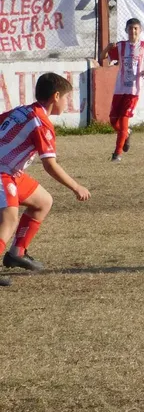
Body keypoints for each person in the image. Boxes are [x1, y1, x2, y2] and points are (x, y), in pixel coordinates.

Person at [0, 73, 91, 282]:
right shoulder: (41, 123)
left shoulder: (23, 110)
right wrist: (76, 186)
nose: (68, 102)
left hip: (11, 172)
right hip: (2, 172)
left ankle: (16, 254)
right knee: (8, 219)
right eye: (67, 97)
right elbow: (50, 165)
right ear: (56, 96)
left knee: (43, 202)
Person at [98, 18, 144, 161]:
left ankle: (117, 154)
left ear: (140, 31)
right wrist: (108, 48)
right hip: (119, 89)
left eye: (136, 29)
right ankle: (127, 133)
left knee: (123, 120)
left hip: (133, 91)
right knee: (113, 120)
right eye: (130, 28)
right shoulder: (120, 46)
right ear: (126, 30)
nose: (133, 31)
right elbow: (102, 59)